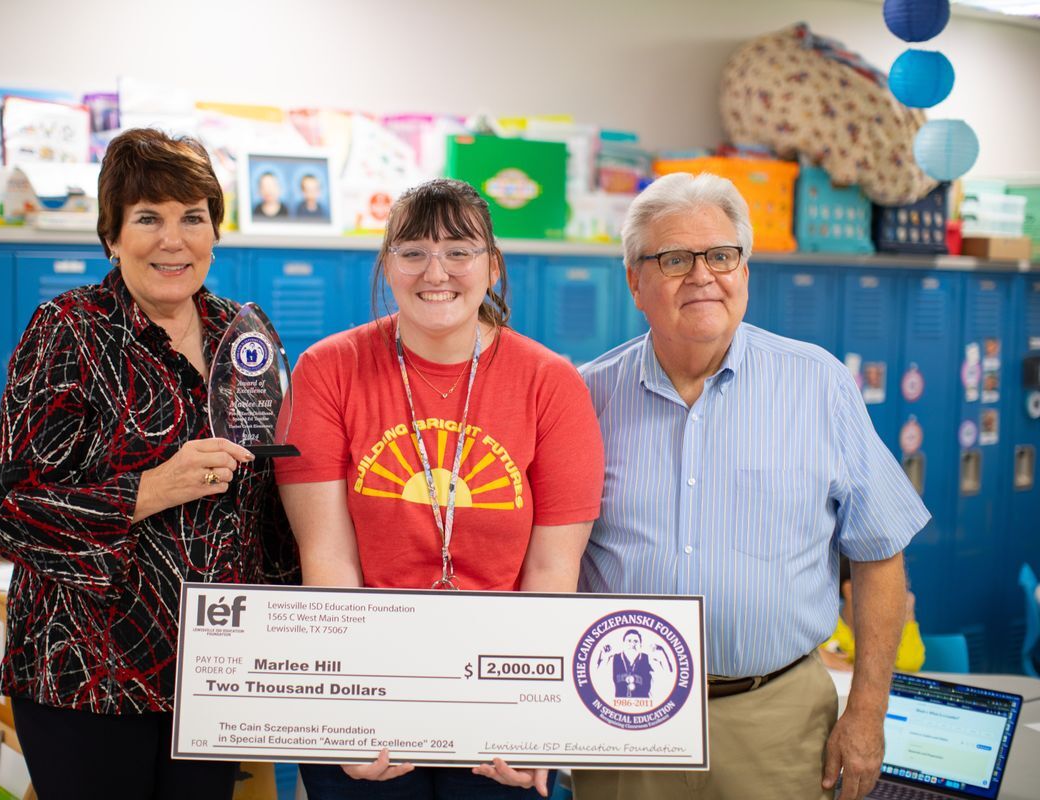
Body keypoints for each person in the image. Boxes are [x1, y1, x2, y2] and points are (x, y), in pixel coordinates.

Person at [574, 172, 930, 800]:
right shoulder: (584, 397)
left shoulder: (818, 384)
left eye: (721, 255)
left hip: (777, 721)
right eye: (675, 258)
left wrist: (869, 711)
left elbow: (879, 551)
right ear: (635, 280)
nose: (703, 275)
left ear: (744, 270)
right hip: (621, 714)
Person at [0, 128, 296, 800]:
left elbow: (272, 511)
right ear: (112, 236)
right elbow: (10, 511)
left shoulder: (247, 333)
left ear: (215, 231)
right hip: (89, 673)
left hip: (215, 674)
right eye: (148, 218)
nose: (172, 239)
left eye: (193, 217)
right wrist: (148, 491)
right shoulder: (68, 330)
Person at [275, 178, 605, 799]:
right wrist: (348, 712)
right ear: (387, 265)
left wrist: (529, 717)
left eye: (459, 250)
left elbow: (552, 571)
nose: (437, 271)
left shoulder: (551, 383)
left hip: (497, 690)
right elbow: (328, 558)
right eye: (413, 251)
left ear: (493, 267)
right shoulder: (327, 370)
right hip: (365, 682)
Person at [820, 557, 926, 672]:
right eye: (882, 587)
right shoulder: (825, 623)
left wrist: (907, 617)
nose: (891, 596)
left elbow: (910, 664)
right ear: (850, 590)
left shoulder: (888, 626)